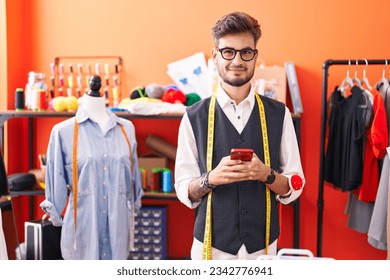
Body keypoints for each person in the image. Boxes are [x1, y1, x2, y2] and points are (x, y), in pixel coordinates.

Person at [174, 11, 305, 260]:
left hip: (264, 249)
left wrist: (265, 174)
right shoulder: (193, 116)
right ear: (215, 55)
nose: (237, 60)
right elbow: (184, 188)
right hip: (210, 250)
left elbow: (295, 183)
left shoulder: (280, 113)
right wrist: (211, 179)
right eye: (228, 52)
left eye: (246, 52)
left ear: (255, 56)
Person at [40, 76, 143, 259]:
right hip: (82, 235)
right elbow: (55, 183)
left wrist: (134, 203)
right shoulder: (63, 132)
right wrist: (55, 211)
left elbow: (133, 183)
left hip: (117, 232)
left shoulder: (126, 129)